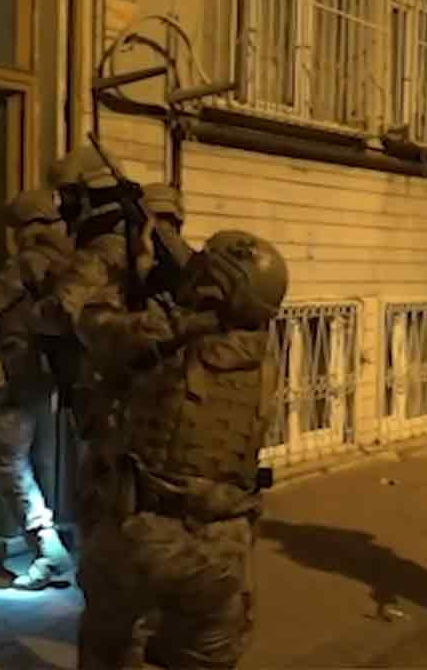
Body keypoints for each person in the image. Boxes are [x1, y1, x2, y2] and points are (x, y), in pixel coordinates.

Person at [73, 228, 288, 670]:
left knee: (108, 648)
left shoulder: (167, 340)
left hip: (145, 535)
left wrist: (123, 266)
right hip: (225, 548)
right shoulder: (263, 358)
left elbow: (91, 323)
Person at [0, 190, 75, 590]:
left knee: (7, 457)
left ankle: (47, 550)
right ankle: (9, 521)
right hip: (44, 374)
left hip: (23, 372)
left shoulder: (30, 262)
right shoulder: (67, 262)